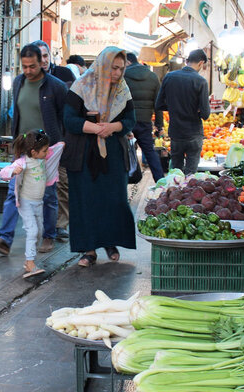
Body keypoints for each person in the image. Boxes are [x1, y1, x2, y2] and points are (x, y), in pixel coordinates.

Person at [0, 44, 67, 256]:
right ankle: (5, 239)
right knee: (14, 192)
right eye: (24, 66)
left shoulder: (56, 87)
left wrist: (60, 147)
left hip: (46, 151)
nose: (28, 70)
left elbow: (64, 119)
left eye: (32, 66)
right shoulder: (19, 82)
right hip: (22, 150)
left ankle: (48, 235)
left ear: (42, 63)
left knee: (47, 195)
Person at [61, 46, 136, 267]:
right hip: (84, 154)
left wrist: (113, 126)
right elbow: (69, 120)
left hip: (113, 154)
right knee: (86, 201)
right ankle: (89, 250)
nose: (117, 73)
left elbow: (131, 119)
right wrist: (95, 129)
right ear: (103, 64)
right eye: (113, 68)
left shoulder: (122, 89)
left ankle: (110, 242)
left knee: (114, 199)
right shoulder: (81, 86)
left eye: (121, 69)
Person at [0, 130, 64, 278]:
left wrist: (61, 143)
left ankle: (31, 259)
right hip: (25, 203)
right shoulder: (22, 162)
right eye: (44, 150)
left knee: (39, 231)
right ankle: (30, 262)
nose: (47, 152)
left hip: (38, 203)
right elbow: (3, 172)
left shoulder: (44, 160)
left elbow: (58, 147)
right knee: (33, 231)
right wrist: (13, 171)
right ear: (33, 152)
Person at [31, 40, 74, 240]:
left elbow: (72, 109)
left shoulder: (64, 76)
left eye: (46, 55)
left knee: (62, 184)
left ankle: (61, 225)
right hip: (36, 144)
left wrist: (67, 139)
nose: (44, 60)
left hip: (60, 142)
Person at [155, 49, 210, 175]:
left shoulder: (169, 77)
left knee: (176, 174)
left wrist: (175, 107)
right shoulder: (201, 81)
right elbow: (205, 114)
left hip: (176, 133)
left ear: (187, 61)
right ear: (201, 63)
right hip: (193, 133)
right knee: (190, 176)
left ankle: (175, 193)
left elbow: (158, 104)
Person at [124, 52, 164, 183]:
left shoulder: (123, 76)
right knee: (149, 152)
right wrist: (159, 125)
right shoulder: (153, 77)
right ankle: (160, 183)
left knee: (125, 153)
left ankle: (123, 184)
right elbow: (158, 104)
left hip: (127, 121)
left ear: (128, 62)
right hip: (145, 121)